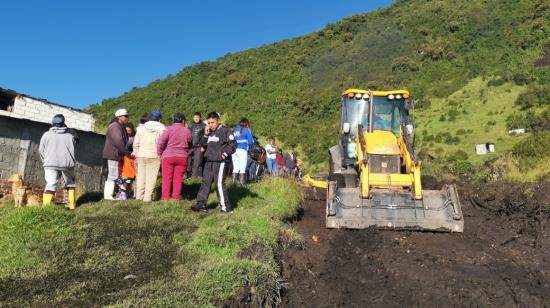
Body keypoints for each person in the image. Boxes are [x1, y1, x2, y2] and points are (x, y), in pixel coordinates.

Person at [192, 112, 236, 213]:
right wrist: (205, 135)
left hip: (220, 162)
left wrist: (224, 155)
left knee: (219, 184)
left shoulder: (225, 130)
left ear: (218, 121)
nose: (210, 125)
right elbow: (203, 144)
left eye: (212, 122)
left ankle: (226, 208)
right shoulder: (208, 131)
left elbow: (233, 145)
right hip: (208, 161)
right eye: (209, 122)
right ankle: (201, 204)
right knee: (205, 183)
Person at [39, 114, 78, 209]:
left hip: (50, 164)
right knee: (70, 183)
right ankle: (72, 206)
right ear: (63, 123)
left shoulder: (46, 135)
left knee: (51, 184)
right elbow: (74, 146)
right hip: (67, 164)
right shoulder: (70, 136)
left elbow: (41, 150)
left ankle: (46, 208)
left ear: (52, 123)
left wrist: (46, 161)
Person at [157, 113, 192, 201]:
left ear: (173, 120)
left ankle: (165, 197)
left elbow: (160, 143)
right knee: (178, 178)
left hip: (168, 156)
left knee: (166, 178)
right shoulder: (187, 131)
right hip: (182, 157)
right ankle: (176, 197)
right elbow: (190, 143)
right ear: (183, 121)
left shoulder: (168, 129)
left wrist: (160, 153)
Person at [134, 110, 165, 202]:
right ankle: (147, 198)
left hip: (141, 155)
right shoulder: (162, 128)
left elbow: (136, 143)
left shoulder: (141, 128)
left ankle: (139, 197)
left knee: (141, 177)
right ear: (159, 119)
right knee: (151, 178)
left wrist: (137, 154)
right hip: (154, 156)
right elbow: (163, 143)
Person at [103, 109, 131, 200]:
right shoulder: (115, 126)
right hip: (113, 154)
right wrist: (126, 152)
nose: (127, 118)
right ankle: (108, 196)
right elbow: (118, 141)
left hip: (117, 154)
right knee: (112, 175)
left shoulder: (120, 126)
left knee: (115, 175)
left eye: (127, 116)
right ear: (119, 117)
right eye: (125, 116)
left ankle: (112, 195)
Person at [231, 118, 254, 185]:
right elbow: (251, 142)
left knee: (235, 168)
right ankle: (242, 185)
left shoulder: (234, 130)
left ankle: (234, 185)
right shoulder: (246, 130)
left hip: (234, 151)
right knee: (242, 169)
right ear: (246, 123)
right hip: (242, 150)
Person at [117, 123, 136, 200]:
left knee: (128, 177)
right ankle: (122, 193)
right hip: (124, 159)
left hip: (130, 158)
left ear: (132, 131)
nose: (128, 132)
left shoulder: (133, 138)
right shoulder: (122, 137)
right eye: (126, 130)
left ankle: (125, 193)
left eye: (129, 131)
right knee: (124, 176)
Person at [187, 112, 206, 177]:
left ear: (200, 118)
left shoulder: (204, 125)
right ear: (193, 118)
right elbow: (187, 135)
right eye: (195, 117)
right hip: (190, 146)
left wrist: (204, 146)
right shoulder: (190, 125)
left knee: (197, 162)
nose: (196, 118)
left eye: (197, 117)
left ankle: (194, 177)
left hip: (199, 147)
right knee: (188, 161)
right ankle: (188, 174)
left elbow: (206, 136)